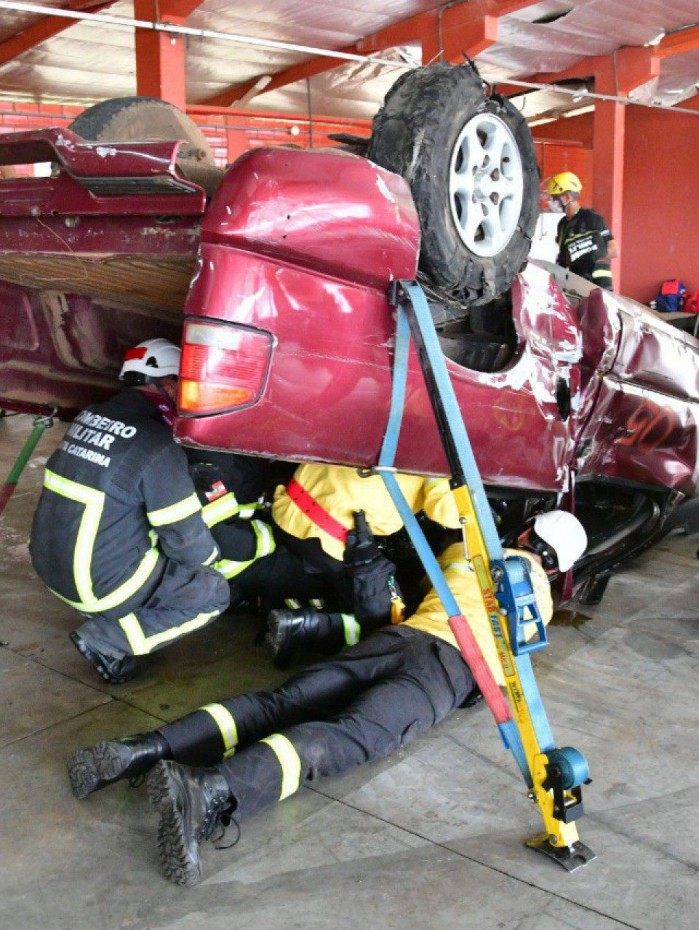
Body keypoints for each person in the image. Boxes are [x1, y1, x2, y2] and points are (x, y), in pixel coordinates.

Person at [66, 510, 587, 886]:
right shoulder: (538, 603)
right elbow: (506, 672)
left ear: (524, 531)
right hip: (445, 672)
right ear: (557, 568)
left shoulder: (465, 555)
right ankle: (211, 789)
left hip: (397, 640)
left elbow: (402, 590)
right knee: (348, 737)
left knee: (280, 704)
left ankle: (140, 749)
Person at [29, 339, 230, 684]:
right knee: (212, 592)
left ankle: (109, 610)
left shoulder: (88, 416)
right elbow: (187, 543)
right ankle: (107, 640)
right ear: (170, 385)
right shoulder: (157, 444)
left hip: (50, 569)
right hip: (98, 587)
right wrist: (212, 561)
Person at [268, 462, 462, 658]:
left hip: (286, 510)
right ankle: (305, 627)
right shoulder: (441, 454)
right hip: (328, 542)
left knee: (352, 585)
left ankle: (302, 609)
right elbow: (449, 513)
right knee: (392, 615)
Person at [547, 172, 618, 290]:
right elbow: (565, 258)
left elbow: (613, 250)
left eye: (555, 197)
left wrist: (588, 257)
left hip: (599, 286)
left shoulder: (591, 218)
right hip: (576, 286)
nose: (551, 202)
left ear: (567, 197)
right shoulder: (562, 225)